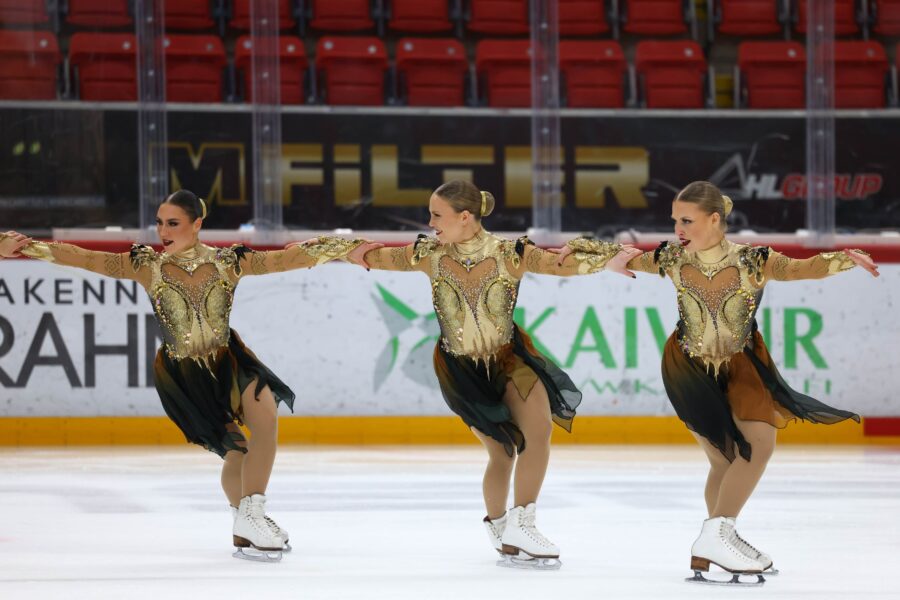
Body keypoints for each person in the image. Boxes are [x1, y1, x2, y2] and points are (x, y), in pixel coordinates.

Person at [4, 190, 378, 562]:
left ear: (197, 224)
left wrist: (343, 248)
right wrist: (25, 248)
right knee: (236, 451)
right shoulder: (145, 266)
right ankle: (244, 519)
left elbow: (284, 259)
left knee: (266, 418)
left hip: (230, 361)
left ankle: (252, 514)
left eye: (173, 223)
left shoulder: (228, 263)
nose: (162, 231)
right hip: (184, 375)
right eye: (159, 223)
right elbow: (84, 258)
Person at [556, 180, 878, 584]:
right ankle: (717, 539)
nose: (678, 229)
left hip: (742, 363)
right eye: (675, 220)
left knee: (758, 443)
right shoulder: (673, 258)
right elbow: (629, 256)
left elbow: (799, 269)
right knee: (725, 458)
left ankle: (717, 536)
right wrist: (584, 249)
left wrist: (843, 259)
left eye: (687, 220)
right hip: (688, 366)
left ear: (714, 219)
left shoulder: (753, 260)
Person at [322, 180, 641, 569]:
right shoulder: (430, 254)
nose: (430, 221)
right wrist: (340, 249)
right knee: (502, 452)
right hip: (461, 370)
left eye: (437, 215)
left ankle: (524, 522)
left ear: (465, 217)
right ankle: (500, 525)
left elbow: (560, 264)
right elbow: (378, 256)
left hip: (509, 359)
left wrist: (606, 258)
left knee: (538, 433)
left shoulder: (510, 253)